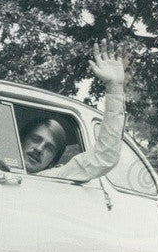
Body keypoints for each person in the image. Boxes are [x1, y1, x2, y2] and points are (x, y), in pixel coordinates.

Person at [20, 39, 128, 181]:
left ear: (53, 162)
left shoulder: (51, 179)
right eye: (35, 139)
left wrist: (114, 87)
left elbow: (104, 157)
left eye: (49, 148)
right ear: (21, 140)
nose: (39, 149)